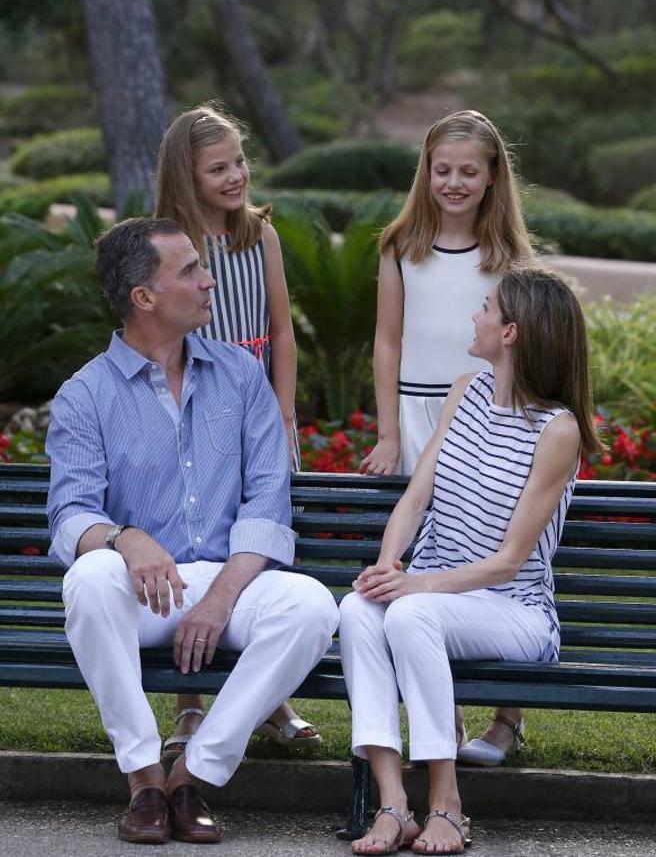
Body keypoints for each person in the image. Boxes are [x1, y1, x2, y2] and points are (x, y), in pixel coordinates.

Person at [47, 217, 339, 844]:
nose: (210, 282)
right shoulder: (85, 396)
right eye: (190, 271)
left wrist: (221, 597)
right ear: (143, 297)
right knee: (90, 579)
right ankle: (144, 780)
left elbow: (267, 502)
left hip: (227, 581)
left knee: (311, 606)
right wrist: (126, 539)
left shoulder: (241, 376)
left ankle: (191, 777)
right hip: (145, 589)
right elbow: (71, 515)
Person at [341, 265, 601, 855]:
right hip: (434, 593)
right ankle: (392, 804)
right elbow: (417, 496)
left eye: (486, 307)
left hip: (513, 609)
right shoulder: (466, 390)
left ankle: (447, 805)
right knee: (358, 609)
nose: (476, 315)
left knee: (409, 616)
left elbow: (509, 563)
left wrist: (416, 588)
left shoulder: (559, 431)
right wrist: (388, 568)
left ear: (510, 332)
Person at [360, 109, 533, 764]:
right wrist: (385, 433)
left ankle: (507, 717)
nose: (453, 182)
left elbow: (525, 345)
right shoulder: (401, 246)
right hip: (415, 417)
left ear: (492, 178)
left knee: (490, 549)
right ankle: (446, 718)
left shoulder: (509, 256)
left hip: (490, 416)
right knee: (431, 557)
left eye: (469, 172)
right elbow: (387, 340)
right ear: (425, 172)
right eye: (442, 170)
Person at [155, 104, 318, 755]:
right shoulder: (166, 245)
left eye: (240, 163)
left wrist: (285, 417)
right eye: (217, 168)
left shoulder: (262, 238)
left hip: (257, 419)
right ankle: (190, 707)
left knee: (259, 551)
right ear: (186, 176)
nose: (235, 176)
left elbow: (281, 332)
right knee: (193, 555)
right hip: (191, 417)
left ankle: (270, 701)